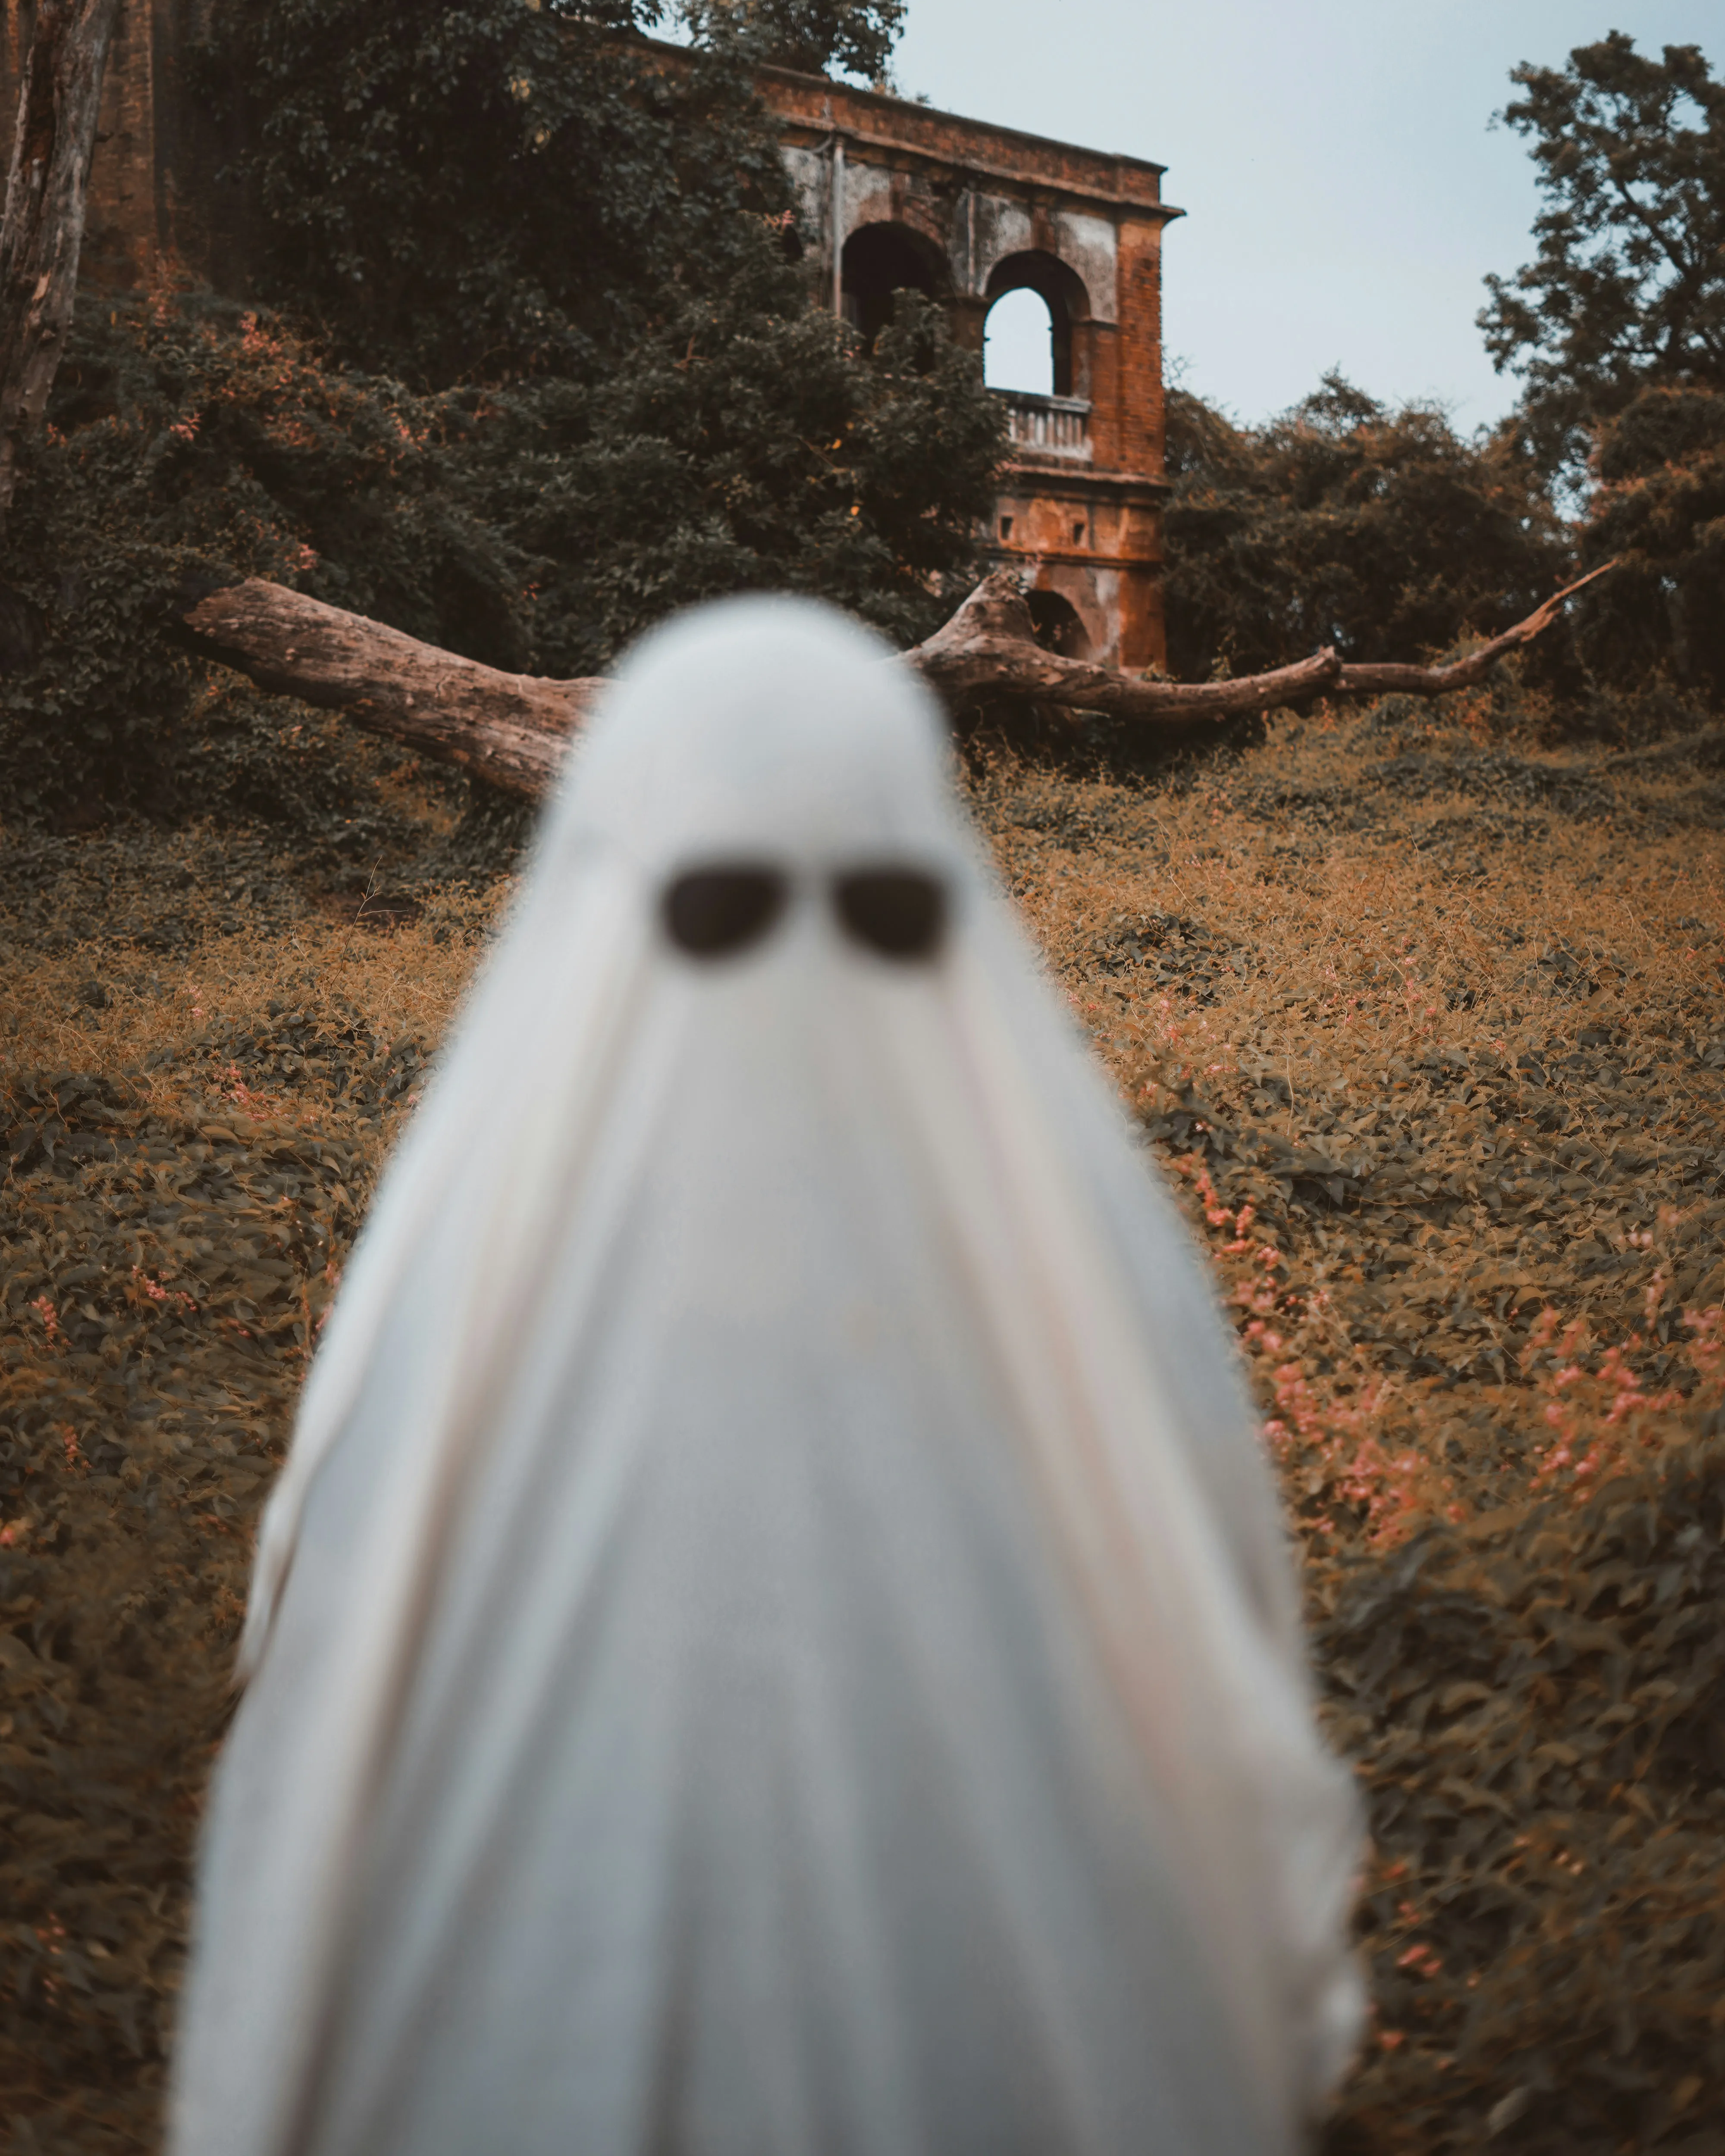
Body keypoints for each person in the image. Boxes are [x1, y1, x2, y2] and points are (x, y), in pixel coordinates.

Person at [169, 596, 1362, 2156]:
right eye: (727, 907)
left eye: (879, 911)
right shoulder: (505, 1290)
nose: (806, 966)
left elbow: (1186, 1610)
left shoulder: (1041, 1268)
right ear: (619, 901)